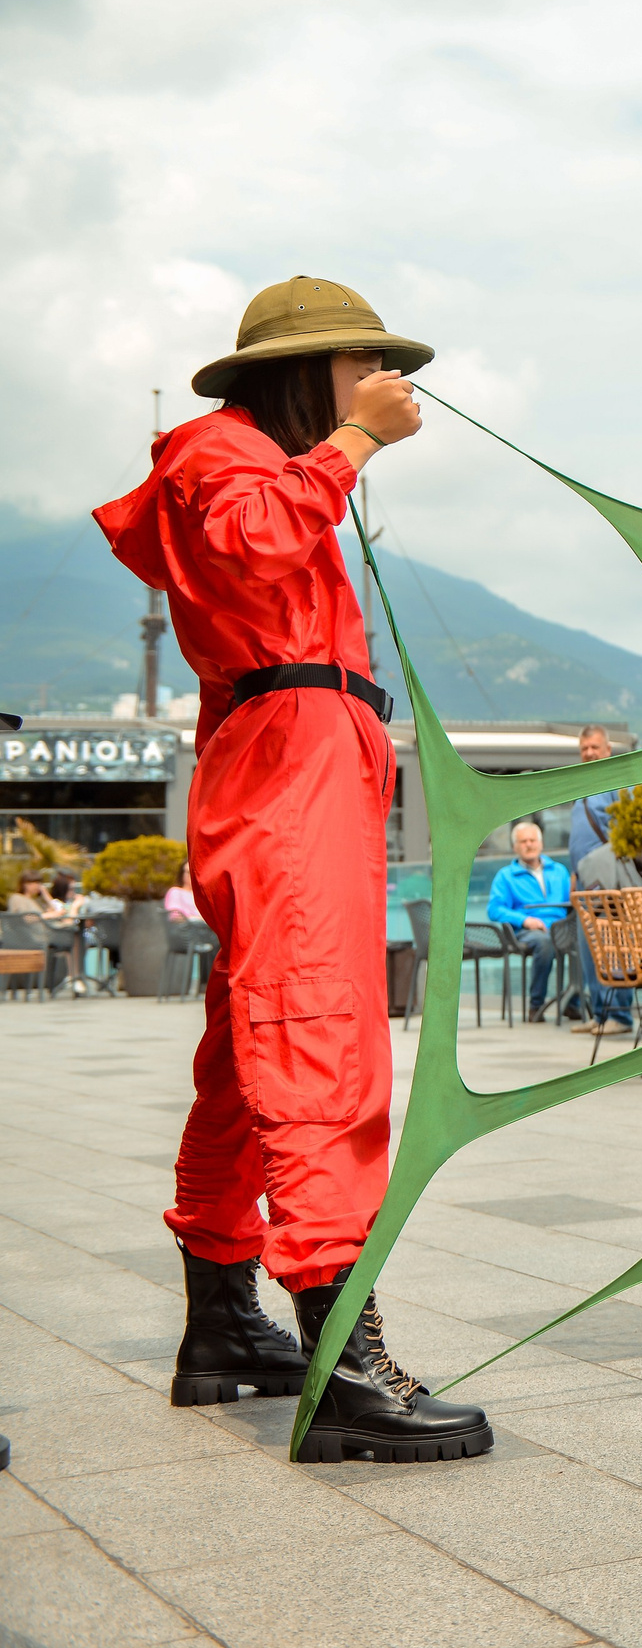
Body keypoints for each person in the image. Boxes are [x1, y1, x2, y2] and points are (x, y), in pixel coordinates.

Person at [92, 275, 490, 1461]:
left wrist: (344, 442)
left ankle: (223, 1325)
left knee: (246, 1048)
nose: (380, 380)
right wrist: (357, 440)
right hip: (286, 762)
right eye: (361, 361)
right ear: (303, 368)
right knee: (317, 1027)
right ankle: (344, 1363)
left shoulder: (259, 457)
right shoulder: (218, 450)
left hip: (298, 755)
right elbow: (249, 545)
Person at [564, 725, 637, 1037]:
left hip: (608, 879)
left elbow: (629, 829)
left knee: (612, 944)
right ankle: (600, 1014)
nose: (589, 753)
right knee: (589, 948)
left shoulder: (616, 783)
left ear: (608, 749)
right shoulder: (582, 787)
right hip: (585, 880)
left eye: (594, 747)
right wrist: (574, 875)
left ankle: (619, 1015)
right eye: (584, 749)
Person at [485, 820, 571, 1023]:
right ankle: (536, 1005)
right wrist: (525, 920)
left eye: (533, 840)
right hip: (527, 932)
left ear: (541, 843)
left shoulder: (559, 871)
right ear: (515, 847)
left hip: (561, 927)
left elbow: (571, 903)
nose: (529, 845)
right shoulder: (506, 876)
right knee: (544, 943)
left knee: (587, 939)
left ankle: (574, 1002)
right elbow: (494, 909)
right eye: (523, 841)